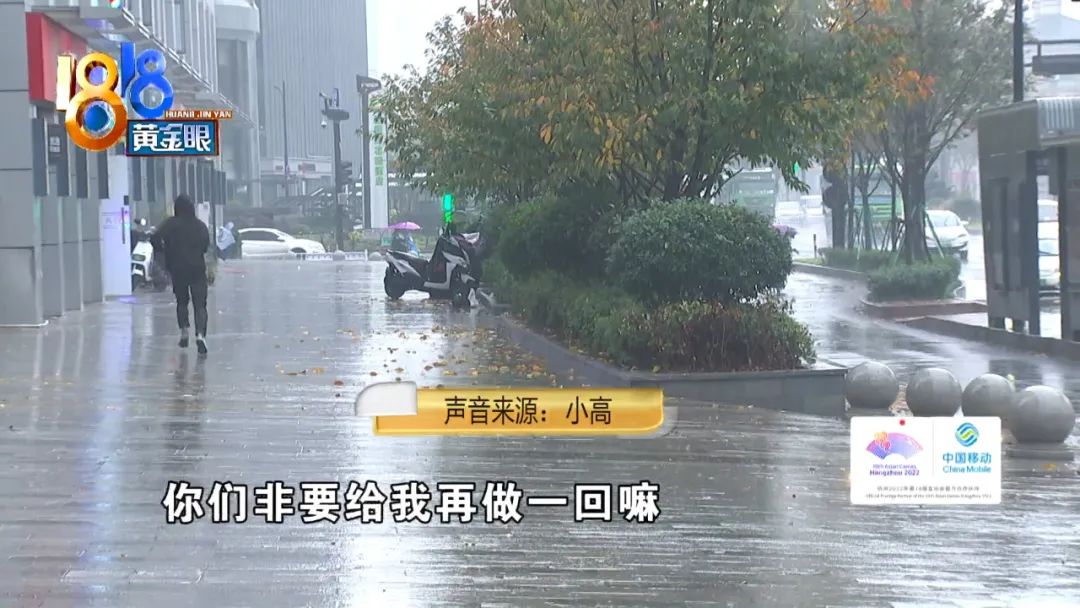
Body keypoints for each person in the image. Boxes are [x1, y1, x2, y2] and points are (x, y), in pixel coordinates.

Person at [151, 194, 211, 355]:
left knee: (182, 301)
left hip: (178, 268)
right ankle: (200, 335)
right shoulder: (200, 226)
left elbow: (155, 237)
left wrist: (163, 252)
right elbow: (206, 246)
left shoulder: (171, 224)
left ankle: (184, 331)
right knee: (200, 305)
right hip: (197, 269)